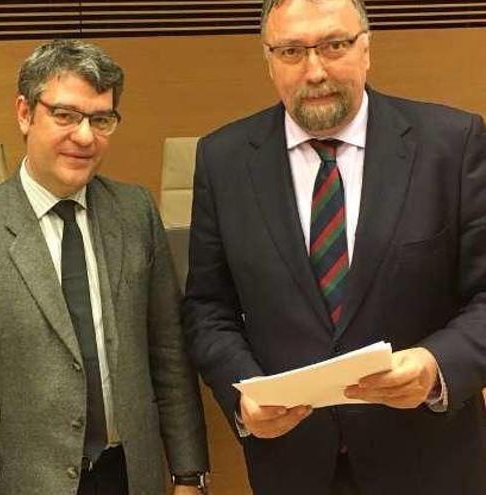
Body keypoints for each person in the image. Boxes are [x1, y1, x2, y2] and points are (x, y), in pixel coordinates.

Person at [183, 0, 486, 493]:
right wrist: (244, 396)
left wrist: (436, 365)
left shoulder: (450, 145)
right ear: (268, 60)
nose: (315, 70)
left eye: (334, 45)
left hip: (428, 462)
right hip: (292, 465)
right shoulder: (224, 160)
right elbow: (207, 307)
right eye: (291, 51)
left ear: (367, 48)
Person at [0, 39, 209, 495]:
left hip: (128, 474)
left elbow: (169, 353)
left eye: (101, 119)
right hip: (20, 480)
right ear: (25, 113)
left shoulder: (135, 212)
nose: (85, 136)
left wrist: (189, 474)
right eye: (66, 115)